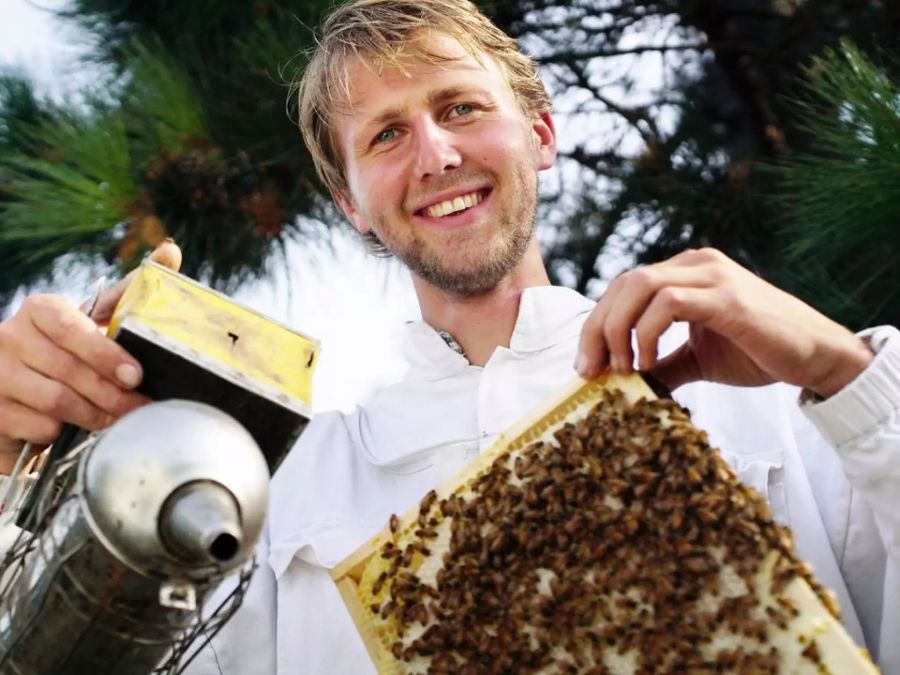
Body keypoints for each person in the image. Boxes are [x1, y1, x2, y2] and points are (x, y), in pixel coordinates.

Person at [0, 0, 897, 672]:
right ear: (351, 202)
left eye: (461, 107)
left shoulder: (779, 398)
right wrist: (25, 465)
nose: (435, 154)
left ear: (541, 134)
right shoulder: (276, 498)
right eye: (387, 134)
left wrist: (849, 375)